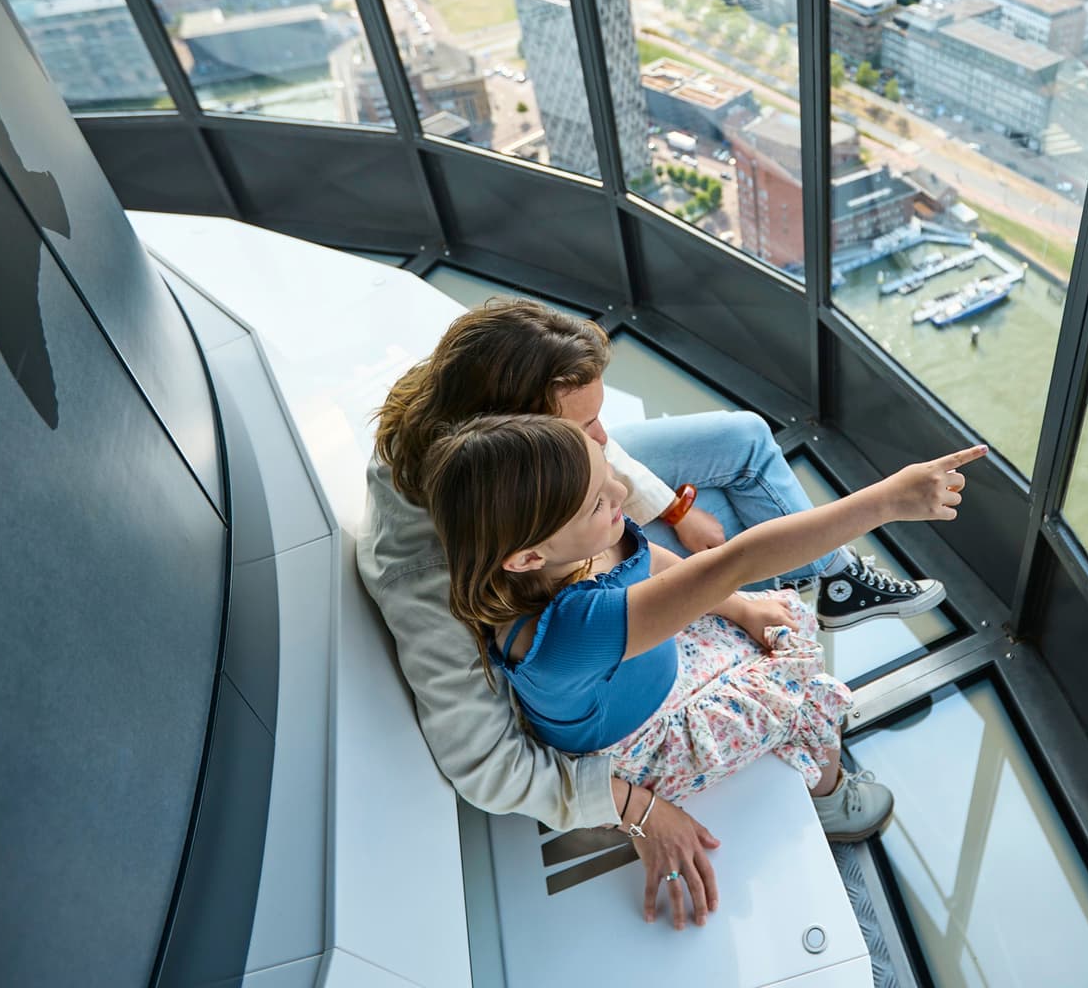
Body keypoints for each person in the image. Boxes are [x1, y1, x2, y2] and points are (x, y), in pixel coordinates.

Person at [356, 300, 949, 929]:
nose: (609, 453)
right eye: (585, 432)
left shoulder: (480, 431)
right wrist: (637, 809)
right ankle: (828, 790)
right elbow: (488, 766)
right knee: (791, 685)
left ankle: (832, 581)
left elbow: (636, 534)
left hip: (611, 642)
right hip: (626, 723)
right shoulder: (444, 583)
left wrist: (675, 515)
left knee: (744, 445)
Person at [418, 415, 981, 888]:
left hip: (644, 671)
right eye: (597, 503)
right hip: (643, 744)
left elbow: (643, 558)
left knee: (764, 618)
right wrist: (886, 501)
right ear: (527, 557)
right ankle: (830, 795)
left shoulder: (561, 553)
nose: (620, 495)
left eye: (606, 473)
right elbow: (737, 561)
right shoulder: (572, 630)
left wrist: (737, 607)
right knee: (800, 689)